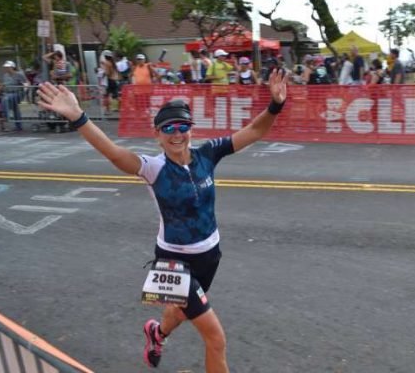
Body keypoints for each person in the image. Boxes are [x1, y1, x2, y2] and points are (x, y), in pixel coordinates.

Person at [36, 68, 288, 372]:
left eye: (183, 126)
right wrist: (78, 117)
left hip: (210, 256)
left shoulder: (208, 154)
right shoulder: (153, 168)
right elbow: (115, 154)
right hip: (172, 262)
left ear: (191, 129)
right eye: (168, 128)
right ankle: (162, 332)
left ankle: (157, 332)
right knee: (216, 338)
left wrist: (275, 105)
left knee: (179, 313)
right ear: (157, 135)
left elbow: (254, 132)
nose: (177, 133)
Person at [2, 60, 28, 131]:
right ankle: (18, 126)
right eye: (6, 67)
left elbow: (26, 83)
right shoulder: (5, 75)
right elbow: (5, 84)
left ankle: (6, 117)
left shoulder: (19, 74)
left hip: (17, 93)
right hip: (9, 92)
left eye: (8, 67)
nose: (6, 68)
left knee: (6, 99)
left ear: (12, 67)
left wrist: (24, 92)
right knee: (15, 108)